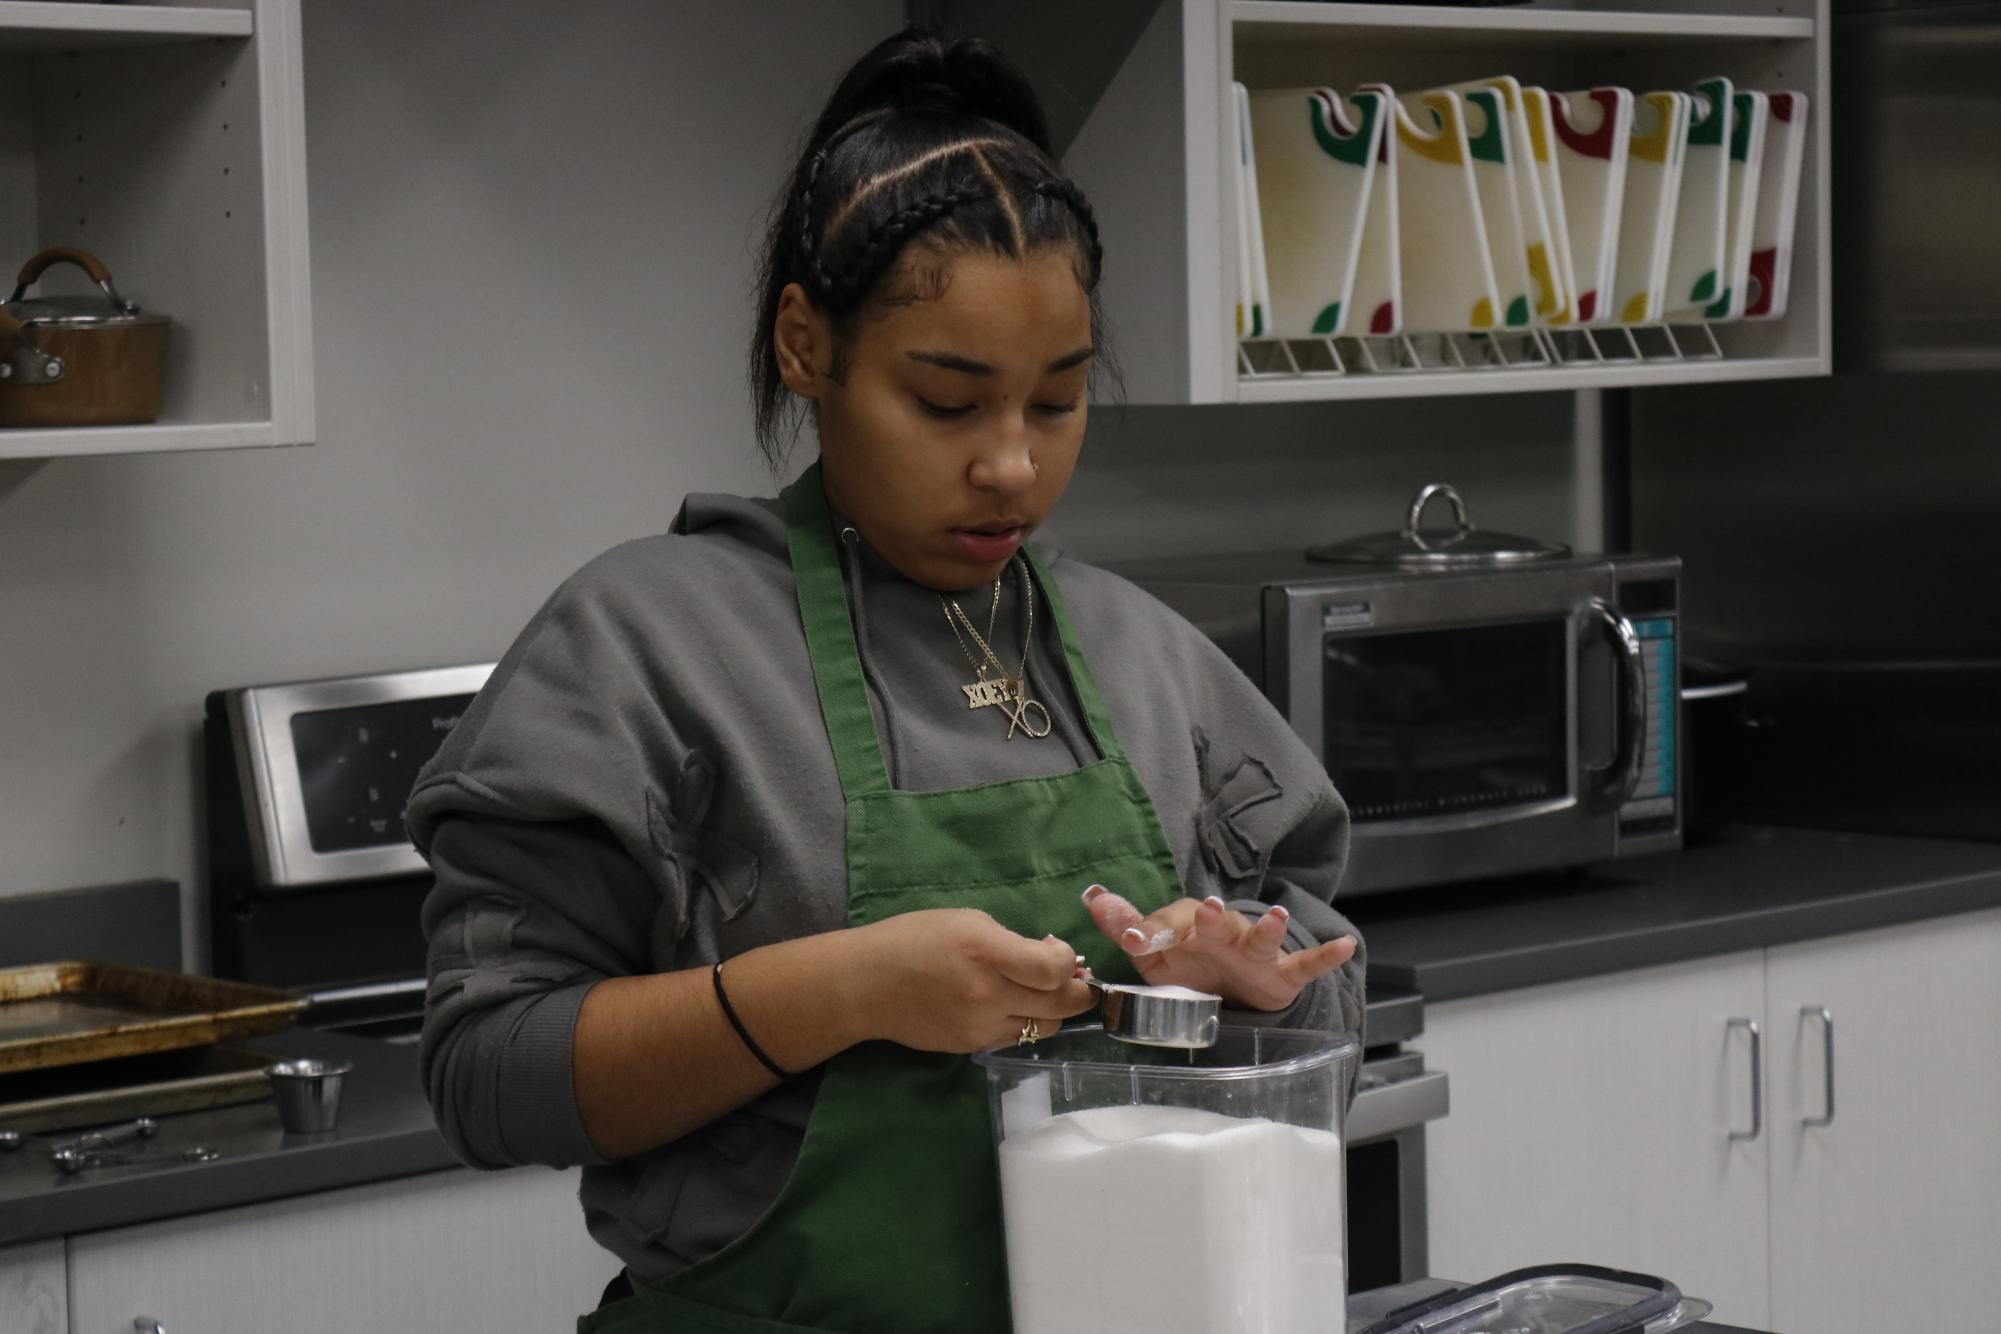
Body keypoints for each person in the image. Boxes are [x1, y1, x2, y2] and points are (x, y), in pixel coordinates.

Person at [408, 27, 1366, 1334]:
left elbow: (1330, 994)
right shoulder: (652, 644)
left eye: (1057, 401)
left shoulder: (1144, 657)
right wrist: (847, 987)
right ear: (806, 344)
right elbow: (487, 1073)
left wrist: (1242, 992)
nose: (1012, 468)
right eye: (947, 402)